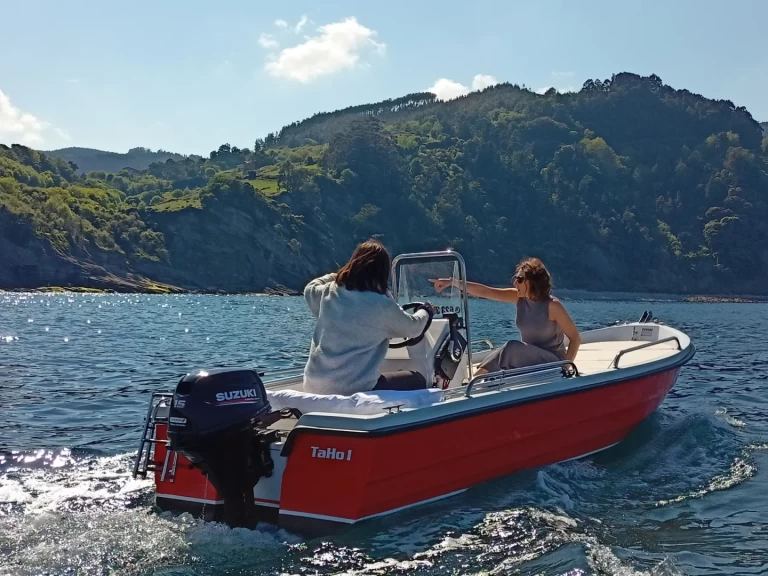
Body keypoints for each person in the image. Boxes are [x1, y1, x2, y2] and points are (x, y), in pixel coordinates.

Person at [303, 239, 436, 395]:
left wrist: (339, 275)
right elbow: (413, 328)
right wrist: (426, 311)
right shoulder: (381, 305)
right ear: (382, 272)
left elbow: (309, 288)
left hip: (313, 386)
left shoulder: (330, 292)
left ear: (353, 265)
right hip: (354, 389)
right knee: (419, 379)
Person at [430, 257, 580, 375]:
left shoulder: (553, 306)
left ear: (533, 282)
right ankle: (475, 380)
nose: (515, 283)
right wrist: (452, 282)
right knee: (504, 352)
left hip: (552, 361)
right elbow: (487, 292)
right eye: (515, 278)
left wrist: (565, 367)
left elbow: (575, 339)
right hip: (529, 359)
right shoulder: (519, 298)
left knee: (511, 347)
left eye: (520, 279)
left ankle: (473, 382)